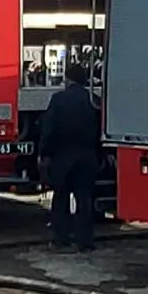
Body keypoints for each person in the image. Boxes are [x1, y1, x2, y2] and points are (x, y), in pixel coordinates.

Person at [35, 64, 104, 250]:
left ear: (68, 79)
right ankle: (85, 241)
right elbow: (100, 130)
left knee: (61, 199)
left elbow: (49, 130)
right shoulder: (93, 100)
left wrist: (44, 154)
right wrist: (100, 154)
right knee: (84, 199)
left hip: (63, 156)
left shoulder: (58, 100)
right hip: (87, 155)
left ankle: (61, 239)